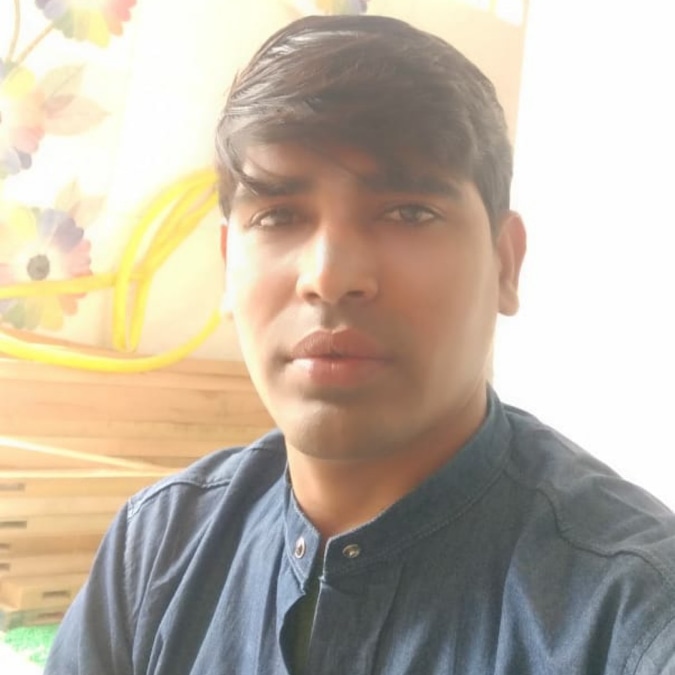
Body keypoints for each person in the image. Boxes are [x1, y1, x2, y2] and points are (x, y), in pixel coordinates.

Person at [45, 15, 675, 675]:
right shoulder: (153, 552)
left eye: (408, 212)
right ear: (228, 265)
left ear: (505, 264)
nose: (329, 276)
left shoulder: (631, 614)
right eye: (278, 215)